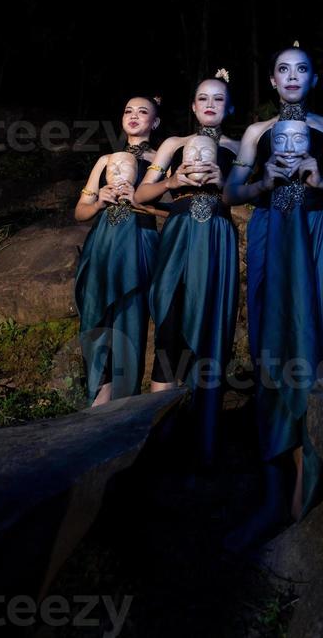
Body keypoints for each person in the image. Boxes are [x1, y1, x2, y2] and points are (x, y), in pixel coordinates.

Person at [222, 43, 323, 545]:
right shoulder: (255, 133)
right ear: (271, 80)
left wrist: (320, 176)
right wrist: (263, 178)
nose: (291, 76)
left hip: (314, 238)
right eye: (282, 69)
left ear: (312, 81)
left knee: (314, 350)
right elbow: (231, 194)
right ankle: (272, 498)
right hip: (271, 237)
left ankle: (306, 496)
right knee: (272, 353)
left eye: (301, 69)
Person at [134, 71, 240, 467]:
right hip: (178, 235)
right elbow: (142, 192)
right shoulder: (173, 144)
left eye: (218, 99)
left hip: (217, 237)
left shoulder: (237, 146)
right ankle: (160, 437)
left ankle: (202, 440)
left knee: (212, 327)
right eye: (202, 98)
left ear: (228, 107)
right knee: (170, 323)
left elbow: (246, 194)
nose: (210, 104)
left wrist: (224, 181)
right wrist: (172, 180)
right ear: (193, 107)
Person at [74, 96, 161, 407]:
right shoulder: (106, 159)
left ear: (155, 122)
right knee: (97, 317)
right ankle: (98, 394)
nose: (134, 116)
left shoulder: (161, 159)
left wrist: (140, 202)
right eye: (128, 110)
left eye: (143, 111)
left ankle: (124, 402)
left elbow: (177, 210)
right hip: (103, 244)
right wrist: (99, 202)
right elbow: (80, 212)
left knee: (130, 319)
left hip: (139, 245)